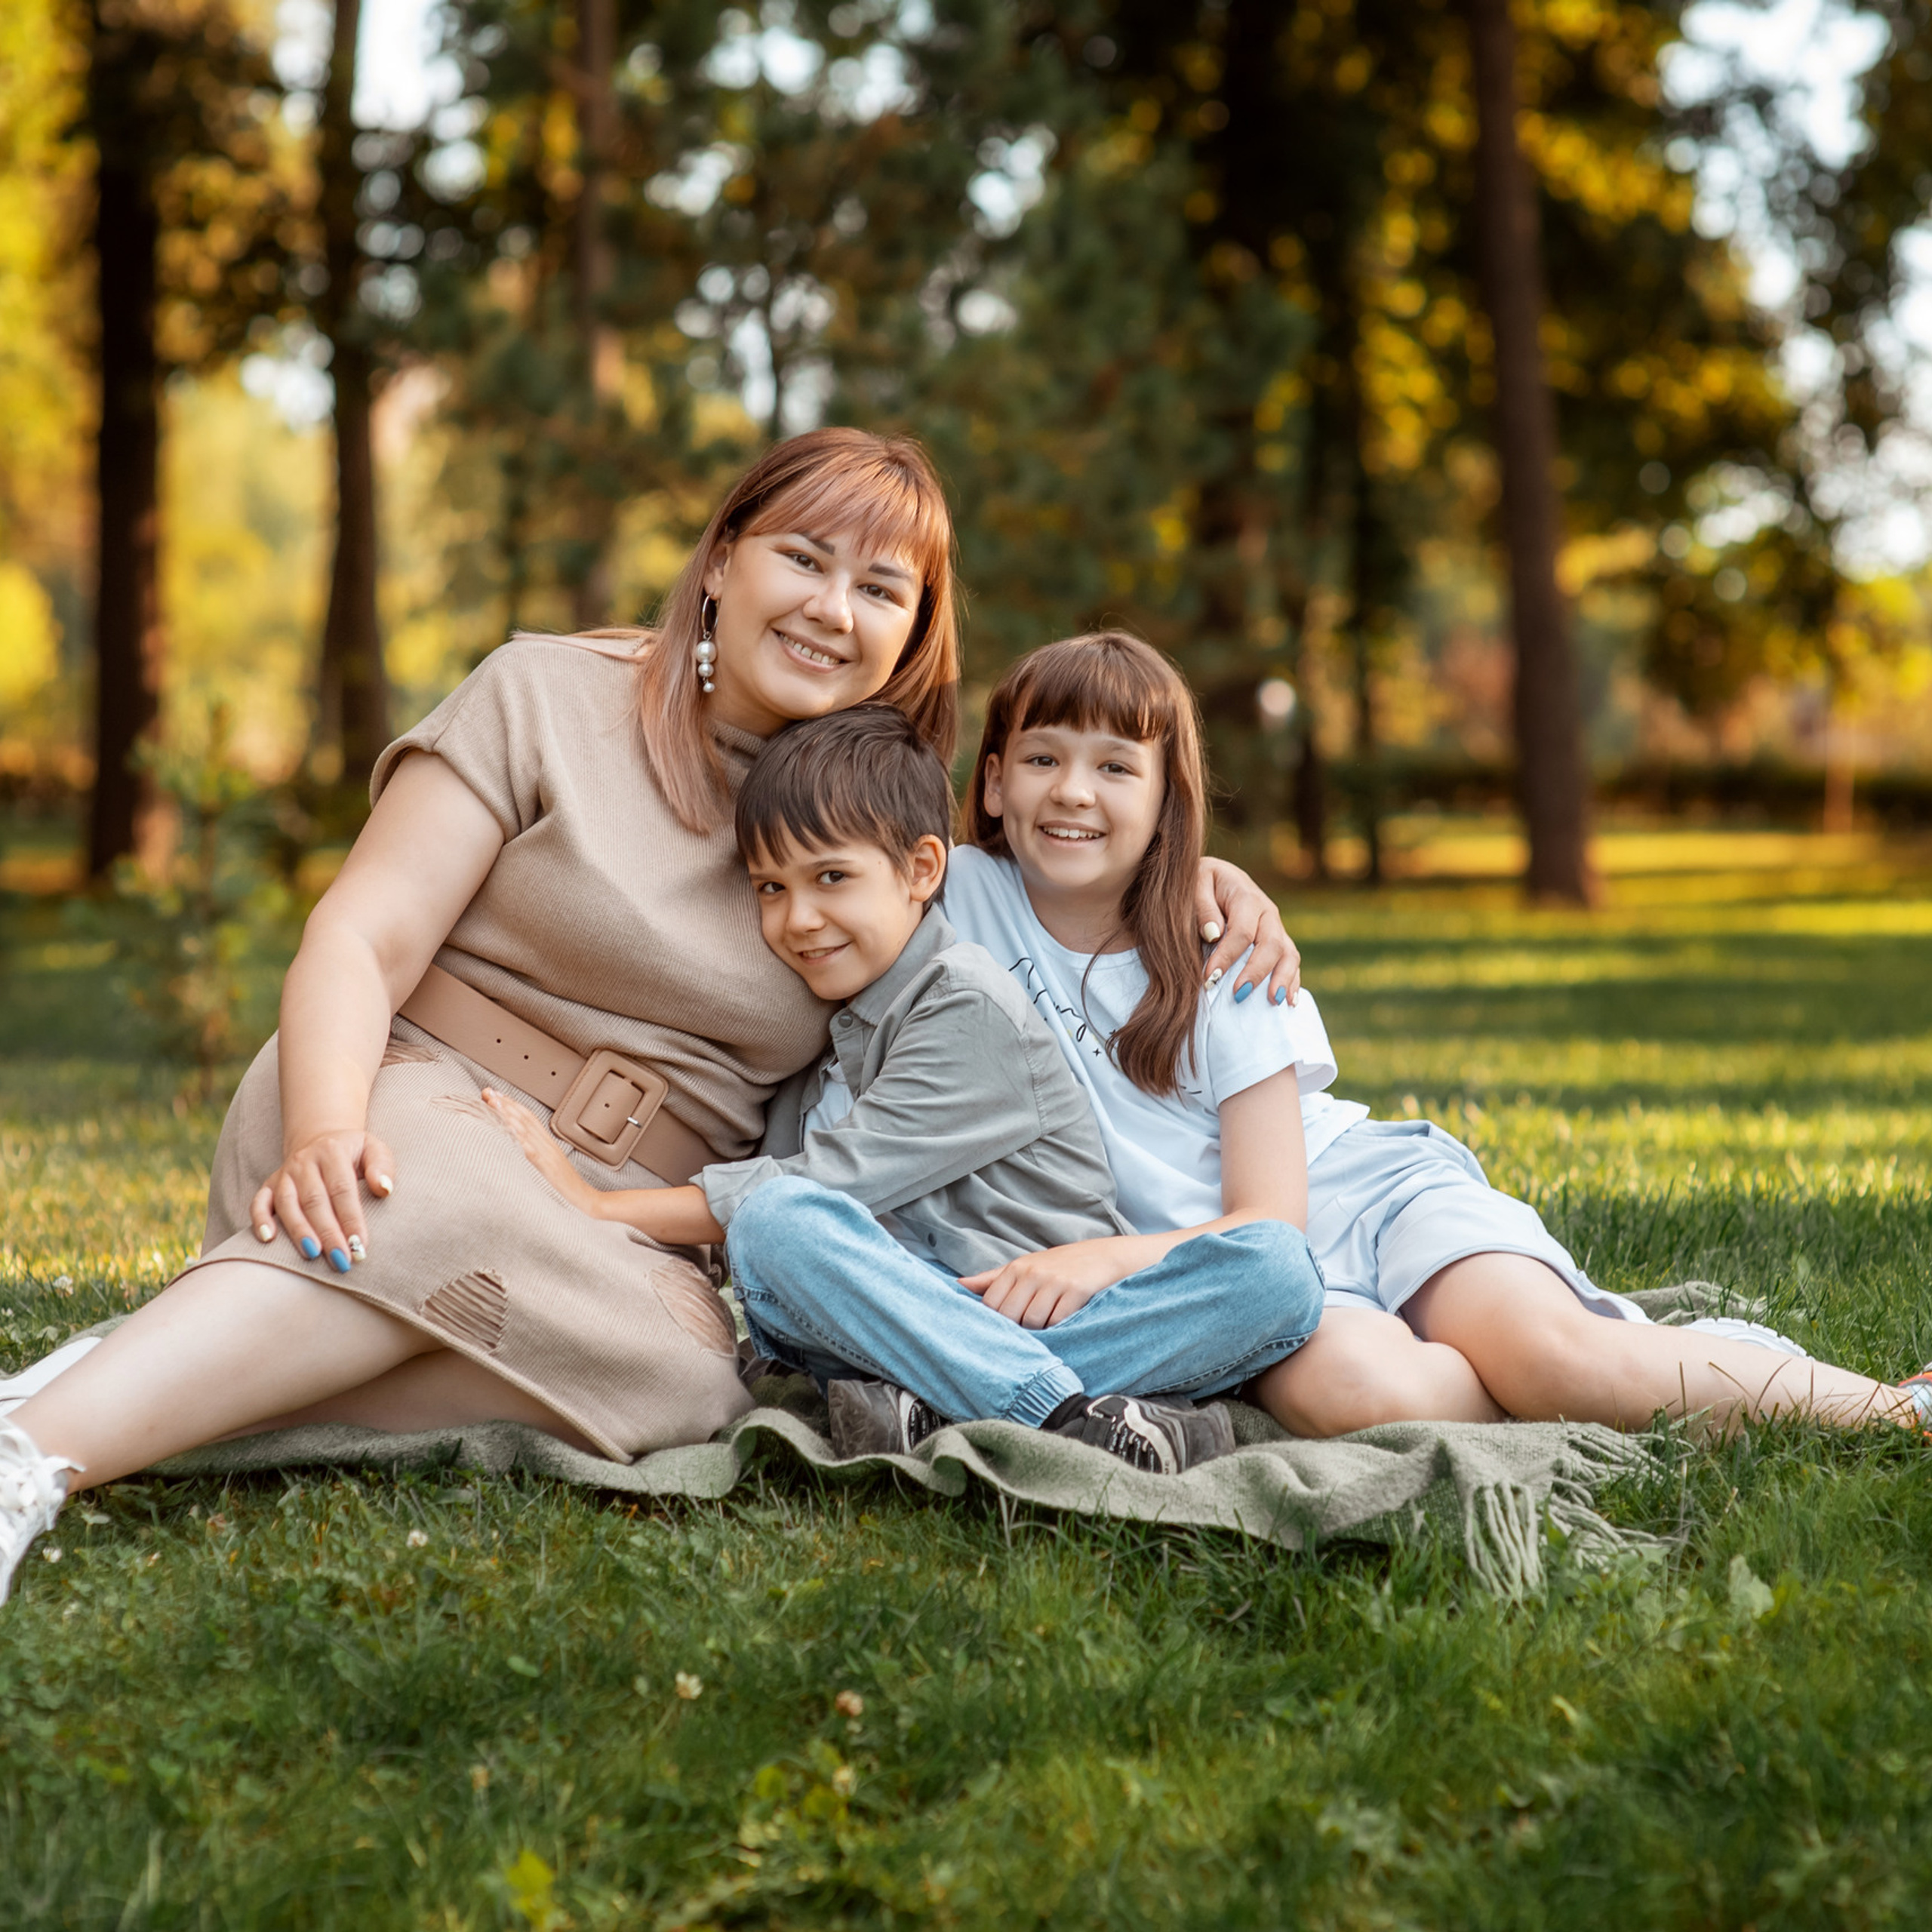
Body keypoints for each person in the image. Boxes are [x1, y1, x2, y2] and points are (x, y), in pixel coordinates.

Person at [0, 432, 1300, 1604]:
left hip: (629, 1220)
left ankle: (193, 1352)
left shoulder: (861, 819)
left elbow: (1058, 860)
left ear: (914, 633)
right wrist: (326, 1127)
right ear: (724, 558)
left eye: (881, 589)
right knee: (423, 1202)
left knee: (689, 1396)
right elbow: (362, 933)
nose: (834, 609)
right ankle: (35, 1458)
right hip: (413, 1089)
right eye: (805, 557)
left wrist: (1204, 885)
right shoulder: (543, 696)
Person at [943, 629, 1932, 1442]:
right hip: (1243, 1289)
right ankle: (1655, 1381)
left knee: (1552, 1358)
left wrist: (1099, 1263)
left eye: (1116, 767)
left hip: (1346, 1202)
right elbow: (826, 844)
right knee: (1364, 1403)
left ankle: (1897, 1411)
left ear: (1168, 805)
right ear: (992, 785)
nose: (1073, 792)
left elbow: (1270, 1219)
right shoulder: (955, 895)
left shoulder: (1220, 954)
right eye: (1042, 760)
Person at [483, 704, 1324, 1472]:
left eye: (831, 879)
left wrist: (598, 1206)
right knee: (778, 1241)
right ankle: (1084, 1415)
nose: (797, 919)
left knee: (1277, 1272)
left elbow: (824, 1180)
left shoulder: (967, 1003)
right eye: (771, 888)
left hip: (1046, 1315)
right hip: (900, 1306)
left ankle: (999, 1408)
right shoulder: (835, 1021)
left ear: (923, 870)